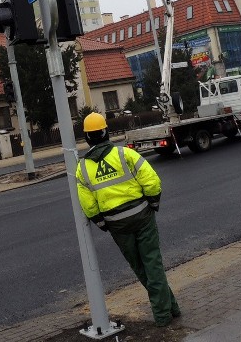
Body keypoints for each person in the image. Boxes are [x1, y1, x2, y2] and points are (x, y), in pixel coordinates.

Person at [75, 112, 181, 327]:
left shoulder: (83, 168)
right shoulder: (125, 154)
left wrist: (103, 223)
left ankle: (170, 309)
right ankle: (165, 314)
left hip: (117, 225)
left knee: (141, 268)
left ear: (87, 138)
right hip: (142, 216)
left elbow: (88, 205)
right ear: (105, 132)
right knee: (153, 264)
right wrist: (153, 204)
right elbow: (151, 181)